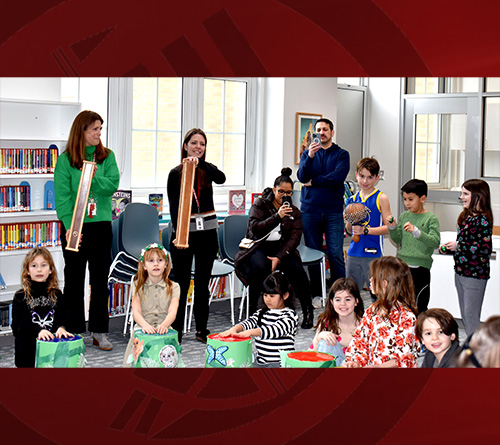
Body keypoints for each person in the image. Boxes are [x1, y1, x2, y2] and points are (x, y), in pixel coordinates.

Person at [54, 110, 120, 350]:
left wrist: (90, 176)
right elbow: (62, 198)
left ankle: (100, 331)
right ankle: (73, 331)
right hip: (75, 228)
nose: (99, 133)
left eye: (100, 129)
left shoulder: (107, 156)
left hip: (101, 226)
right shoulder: (65, 160)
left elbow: (111, 185)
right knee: (73, 280)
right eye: (94, 129)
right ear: (81, 131)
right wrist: (70, 227)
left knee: (100, 280)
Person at [234, 167, 314, 328]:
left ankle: (307, 312)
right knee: (260, 268)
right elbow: (255, 229)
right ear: (273, 190)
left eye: (289, 192)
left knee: (297, 269)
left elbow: (295, 238)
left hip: (282, 249)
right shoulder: (260, 204)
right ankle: (253, 314)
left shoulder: (294, 211)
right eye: (281, 191)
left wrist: (279, 257)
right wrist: (277, 216)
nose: (285, 196)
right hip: (259, 246)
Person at [167, 128, 226, 344]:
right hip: (184, 236)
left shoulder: (208, 171)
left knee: (202, 284)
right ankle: (177, 332)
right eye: (194, 143)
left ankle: (201, 329)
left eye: (202, 143)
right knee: (181, 284)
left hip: (208, 235)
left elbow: (222, 178)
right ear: (185, 146)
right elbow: (174, 208)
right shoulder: (175, 173)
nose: (198, 147)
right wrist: (177, 235)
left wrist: (200, 164)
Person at [297, 118, 350, 297]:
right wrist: (310, 156)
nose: (321, 133)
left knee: (335, 253)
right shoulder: (308, 153)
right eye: (318, 130)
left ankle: (340, 294)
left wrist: (315, 181)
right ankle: (317, 294)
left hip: (333, 211)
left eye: (325, 129)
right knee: (314, 253)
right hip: (309, 211)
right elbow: (302, 177)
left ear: (332, 132)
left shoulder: (342, 154)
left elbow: (337, 177)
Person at [344, 256, 420, 368]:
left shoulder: (406, 317)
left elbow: (404, 358)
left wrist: (378, 368)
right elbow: (360, 342)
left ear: (384, 284)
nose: (369, 280)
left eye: (373, 277)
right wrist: (355, 361)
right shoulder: (372, 310)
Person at [441, 179, 493, 337]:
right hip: (461, 273)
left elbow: (484, 249)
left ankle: (478, 353)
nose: (462, 197)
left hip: (474, 276)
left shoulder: (483, 220)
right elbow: (468, 244)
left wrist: (459, 246)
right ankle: (473, 349)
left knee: (471, 317)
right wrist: (451, 249)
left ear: (478, 196)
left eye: (465, 194)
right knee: (465, 315)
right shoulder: (467, 217)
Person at [220, 271, 298, 367]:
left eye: (272, 296)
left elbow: (274, 330)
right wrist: (235, 329)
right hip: (261, 361)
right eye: (265, 295)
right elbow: (249, 322)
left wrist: (251, 332)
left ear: (285, 295)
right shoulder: (262, 313)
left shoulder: (290, 316)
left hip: (281, 363)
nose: (267, 299)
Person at [11, 247, 73, 367]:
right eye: (34, 266)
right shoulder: (20, 296)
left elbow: (63, 315)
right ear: (27, 271)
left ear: (50, 270)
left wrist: (61, 327)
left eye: (44, 265)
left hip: (52, 351)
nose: (39, 270)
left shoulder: (57, 294)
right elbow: (18, 324)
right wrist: (38, 331)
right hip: (27, 352)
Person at [387, 179, 440, 314]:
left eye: (410, 199)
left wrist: (416, 231)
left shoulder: (430, 218)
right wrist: (392, 227)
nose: (407, 203)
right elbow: (397, 240)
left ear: (422, 198)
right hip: (402, 266)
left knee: (419, 303)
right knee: (400, 303)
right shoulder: (404, 216)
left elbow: (435, 241)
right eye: (405, 199)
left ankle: (419, 332)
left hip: (421, 269)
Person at [123, 243, 180, 367]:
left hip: (164, 329)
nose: (156, 264)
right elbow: (136, 312)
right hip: (142, 329)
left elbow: (172, 311)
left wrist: (165, 325)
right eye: (151, 260)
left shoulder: (174, 287)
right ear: (143, 265)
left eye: (160, 260)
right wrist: (144, 325)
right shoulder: (137, 285)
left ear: (166, 264)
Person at [345, 157, 392, 299]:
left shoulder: (381, 198)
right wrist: (348, 220)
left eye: (370, 177)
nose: (365, 181)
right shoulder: (351, 199)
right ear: (356, 175)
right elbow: (348, 231)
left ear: (377, 178)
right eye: (362, 176)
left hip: (373, 253)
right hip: (354, 253)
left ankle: (377, 321)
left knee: (377, 295)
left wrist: (366, 231)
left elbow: (389, 228)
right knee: (351, 294)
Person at [309, 277, 364, 366]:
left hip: (355, 371)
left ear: (356, 301)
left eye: (348, 299)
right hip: (332, 372)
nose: (343, 304)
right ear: (332, 302)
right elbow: (310, 354)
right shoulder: (327, 322)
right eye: (338, 299)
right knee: (325, 341)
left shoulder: (365, 325)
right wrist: (319, 337)